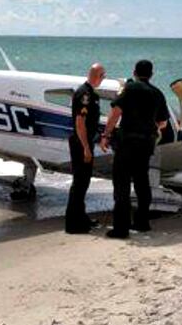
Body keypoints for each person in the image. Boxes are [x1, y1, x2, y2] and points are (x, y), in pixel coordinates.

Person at [100, 60, 169, 239]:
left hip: (127, 142)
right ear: (151, 74)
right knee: (142, 182)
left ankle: (120, 229)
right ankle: (142, 222)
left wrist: (106, 135)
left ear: (134, 72)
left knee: (121, 184)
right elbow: (163, 123)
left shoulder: (129, 89)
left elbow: (115, 113)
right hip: (146, 144)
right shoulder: (157, 93)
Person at [65, 63, 106, 234]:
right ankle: (73, 224)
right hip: (81, 142)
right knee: (80, 182)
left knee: (84, 182)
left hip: (85, 141)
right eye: (103, 76)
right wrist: (86, 148)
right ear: (97, 76)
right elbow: (80, 123)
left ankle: (81, 217)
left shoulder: (91, 94)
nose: (103, 79)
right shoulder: (84, 94)